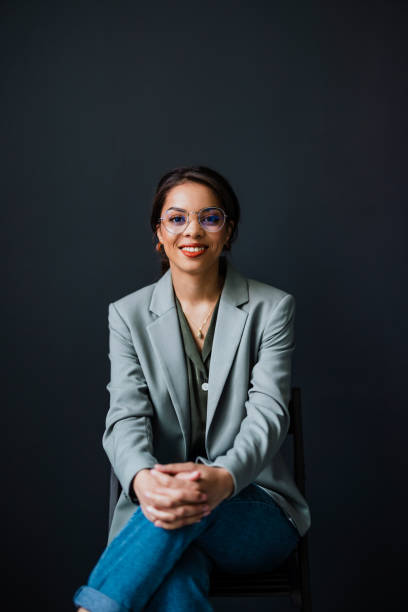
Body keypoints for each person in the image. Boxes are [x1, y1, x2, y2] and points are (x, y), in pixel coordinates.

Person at [73, 165, 311, 612]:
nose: (193, 230)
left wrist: (222, 480)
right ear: (158, 234)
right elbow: (126, 417)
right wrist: (143, 480)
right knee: (175, 574)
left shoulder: (272, 307)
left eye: (210, 217)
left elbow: (269, 414)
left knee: (185, 514)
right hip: (158, 513)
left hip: (252, 510)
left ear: (228, 231)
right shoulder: (127, 316)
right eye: (177, 218)